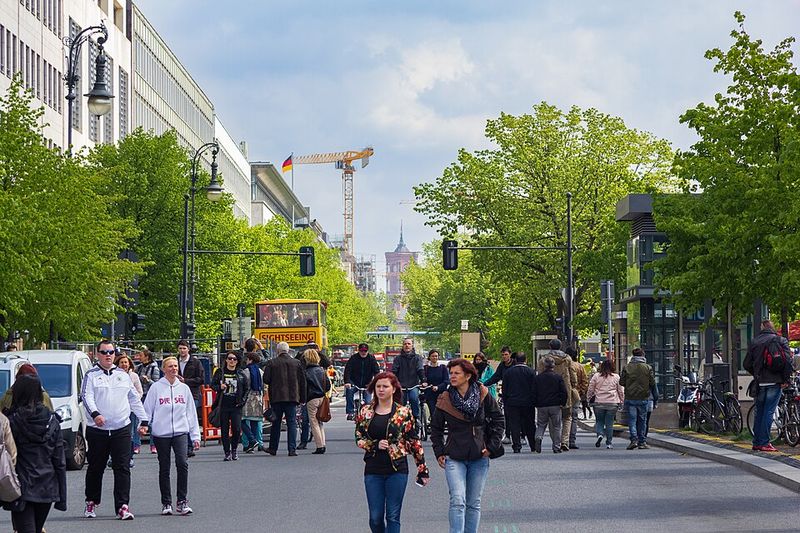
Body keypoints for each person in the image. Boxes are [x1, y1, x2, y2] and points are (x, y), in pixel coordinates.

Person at [431, 358, 504, 533]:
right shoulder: (445, 398)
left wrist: (492, 446)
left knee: (473, 503)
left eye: (457, 373)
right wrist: (439, 451)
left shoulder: (483, 393)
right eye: (451, 373)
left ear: (468, 375)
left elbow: (498, 419)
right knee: (457, 500)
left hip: (479, 456)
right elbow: (436, 428)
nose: (452, 376)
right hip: (454, 456)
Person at [81, 339, 149, 520]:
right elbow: (86, 397)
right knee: (96, 467)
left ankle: (122, 506)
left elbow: (134, 398)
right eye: (104, 352)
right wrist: (95, 414)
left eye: (111, 352)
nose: (108, 355)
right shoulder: (91, 375)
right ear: (97, 355)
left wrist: (144, 420)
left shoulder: (123, 375)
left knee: (122, 467)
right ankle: (91, 501)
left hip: (121, 428)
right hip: (98, 429)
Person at [355, 371, 429, 533]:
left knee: (393, 516)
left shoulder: (403, 412)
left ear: (394, 389)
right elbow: (358, 437)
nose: (381, 390)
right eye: (378, 386)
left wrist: (422, 468)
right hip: (373, 469)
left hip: (397, 468)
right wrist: (374, 445)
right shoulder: (365, 411)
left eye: (385, 386)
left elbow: (413, 440)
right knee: (375, 518)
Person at [6, 375, 66, 533]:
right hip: (47, 485)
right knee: (36, 529)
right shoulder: (53, 421)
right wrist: (62, 497)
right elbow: (59, 461)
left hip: (21, 485)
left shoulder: (12, 421)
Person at [142, 357, 201, 516]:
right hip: (161, 433)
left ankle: (182, 501)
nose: (173, 369)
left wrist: (195, 436)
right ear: (163, 369)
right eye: (170, 366)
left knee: (182, 464)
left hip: (181, 432)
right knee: (164, 467)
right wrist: (144, 424)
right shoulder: (156, 388)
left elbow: (191, 413)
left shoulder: (184, 389)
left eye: (175, 366)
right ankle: (166, 502)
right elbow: (147, 409)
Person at [744, 320, 793, 452]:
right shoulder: (780, 340)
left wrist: (757, 373)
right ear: (772, 328)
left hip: (760, 383)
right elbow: (788, 361)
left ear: (762, 327)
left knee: (759, 412)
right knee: (768, 412)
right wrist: (786, 379)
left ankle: (757, 442)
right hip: (775, 381)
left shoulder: (755, 342)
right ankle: (765, 442)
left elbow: (746, 364)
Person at [263, 341, 306, 456]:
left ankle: (273, 448)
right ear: (288, 350)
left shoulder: (272, 363)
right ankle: (292, 449)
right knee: (291, 423)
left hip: (277, 397)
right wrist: (303, 398)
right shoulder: (296, 363)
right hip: (292, 397)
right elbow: (302, 381)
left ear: (278, 351)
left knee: (276, 423)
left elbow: (266, 379)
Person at [536, 339, 576, 452]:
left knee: (551, 421)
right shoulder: (567, 359)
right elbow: (573, 374)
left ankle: (555, 442)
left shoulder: (543, 359)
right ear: (560, 346)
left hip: (547, 393)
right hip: (565, 391)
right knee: (567, 418)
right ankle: (564, 441)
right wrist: (573, 385)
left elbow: (539, 374)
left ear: (550, 346)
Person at [211, 352, 249, 461]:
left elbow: (247, 388)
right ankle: (227, 452)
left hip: (236, 405)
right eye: (230, 358)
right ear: (226, 360)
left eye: (234, 359)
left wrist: (242, 401)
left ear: (237, 361)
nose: (232, 361)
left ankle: (234, 450)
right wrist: (220, 387)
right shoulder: (220, 372)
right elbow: (212, 385)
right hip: (223, 404)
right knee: (224, 429)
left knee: (237, 429)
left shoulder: (241, 373)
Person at [620, 347, 657, 450]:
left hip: (630, 397)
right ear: (642, 355)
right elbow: (652, 382)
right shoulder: (647, 368)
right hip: (643, 397)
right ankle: (642, 442)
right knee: (642, 420)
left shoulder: (627, 367)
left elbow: (621, 382)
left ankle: (633, 439)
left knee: (632, 420)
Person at [500, 352, 536, 453]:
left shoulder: (509, 372)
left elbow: (504, 389)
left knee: (514, 424)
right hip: (528, 403)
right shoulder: (531, 372)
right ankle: (533, 445)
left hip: (512, 403)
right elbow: (534, 388)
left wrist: (506, 401)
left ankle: (516, 446)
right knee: (529, 424)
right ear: (526, 360)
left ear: (515, 360)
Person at [533, 356, 568, 453]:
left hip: (542, 405)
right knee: (556, 426)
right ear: (553, 366)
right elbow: (564, 392)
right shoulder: (558, 377)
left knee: (541, 425)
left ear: (544, 365)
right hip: (555, 405)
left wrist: (536, 403)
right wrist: (562, 403)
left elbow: (534, 392)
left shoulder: (538, 378)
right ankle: (556, 447)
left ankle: (538, 437)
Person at [176, 340, 205, 458]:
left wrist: (186, 381)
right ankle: (185, 445)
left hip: (193, 394)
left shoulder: (195, 362)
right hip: (178, 394)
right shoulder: (175, 362)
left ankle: (190, 445)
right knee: (182, 418)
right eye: (180, 348)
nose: (182, 351)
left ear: (188, 349)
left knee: (190, 418)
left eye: (184, 348)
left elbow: (201, 379)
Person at [587, 359, 624, 449]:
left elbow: (590, 389)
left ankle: (600, 434)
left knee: (599, 421)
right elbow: (621, 390)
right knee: (609, 423)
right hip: (612, 403)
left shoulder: (596, 376)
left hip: (599, 402)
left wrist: (588, 399)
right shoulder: (616, 377)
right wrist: (622, 401)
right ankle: (609, 443)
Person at [483, 346, 515, 443]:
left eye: (506, 354)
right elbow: (495, 377)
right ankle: (508, 435)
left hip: (517, 392)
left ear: (510, 354)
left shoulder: (515, 364)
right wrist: (484, 384)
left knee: (518, 416)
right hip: (507, 394)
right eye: (503, 355)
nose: (504, 357)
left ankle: (520, 435)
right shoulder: (502, 365)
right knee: (508, 415)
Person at [116, 354, 143, 460]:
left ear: (129, 364)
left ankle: (129, 457)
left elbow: (139, 392)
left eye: (126, 362)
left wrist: (133, 401)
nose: (124, 364)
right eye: (121, 362)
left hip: (131, 410)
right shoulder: (113, 375)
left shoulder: (134, 376)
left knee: (130, 434)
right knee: (116, 434)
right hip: (117, 409)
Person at [390, 337, 425, 420]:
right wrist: (391, 381)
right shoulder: (398, 358)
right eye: (405, 344)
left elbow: (420, 369)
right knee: (400, 404)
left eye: (409, 344)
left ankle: (416, 418)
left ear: (412, 346)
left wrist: (423, 380)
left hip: (413, 385)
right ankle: (400, 420)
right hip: (401, 385)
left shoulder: (417, 358)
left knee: (414, 398)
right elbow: (394, 371)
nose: (407, 345)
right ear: (402, 346)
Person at [304, 349, 331, 454]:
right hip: (322, 398)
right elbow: (328, 386)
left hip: (312, 398)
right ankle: (323, 443)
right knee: (320, 421)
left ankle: (319, 446)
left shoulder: (306, 372)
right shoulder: (322, 371)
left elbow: (304, 387)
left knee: (314, 422)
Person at [240, 346, 267, 454]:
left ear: (250, 360)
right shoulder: (260, 372)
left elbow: (242, 385)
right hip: (258, 398)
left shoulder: (246, 371)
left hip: (247, 398)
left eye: (247, 359)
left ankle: (250, 441)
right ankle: (259, 443)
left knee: (241, 420)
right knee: (256, 421)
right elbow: (264, 386)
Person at [344, 343, 380, 420]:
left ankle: (368, 413)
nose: (363, 353)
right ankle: (350, 412)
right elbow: (347, 370)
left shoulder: (371, 359)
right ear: (358, 350)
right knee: (349, 391)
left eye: (365, 351)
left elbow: (376, 371)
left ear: (367, 351)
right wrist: (347, 382)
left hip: (367, 383)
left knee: (368, 401)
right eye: (361, 351)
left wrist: (377, 381)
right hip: (354, 382)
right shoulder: (353, 358)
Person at [135, 349, 161, 454]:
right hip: (141, 396)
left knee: (151, 422)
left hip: (150, 396)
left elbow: (156, 383)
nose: (139, 357)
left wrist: (148, 381)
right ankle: (136, 445)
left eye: (141, 355)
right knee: (138, 421)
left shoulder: (155, 368)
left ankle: (153, 445)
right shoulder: (139, 367)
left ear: (147, 357)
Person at [566, 347, 588, 449]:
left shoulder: (564, 365)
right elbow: (585, 381)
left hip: (564, 395)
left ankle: (563, 440)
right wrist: (580, 392)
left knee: (564, 418)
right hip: (576, 395)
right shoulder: (580, 367)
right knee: (574, 418)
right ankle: (572, 440)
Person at [423, 349, 449, 419]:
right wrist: (425, 384)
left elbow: (446, 381)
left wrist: (438, 387)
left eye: (436, 356)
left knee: (441, 413)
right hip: (430, 394)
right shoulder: (426, 368)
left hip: (441, 394)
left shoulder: (443, 368)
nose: (434, 358)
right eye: (433, 356)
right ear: (429, 357)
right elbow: (423, 379)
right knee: (433, 412)